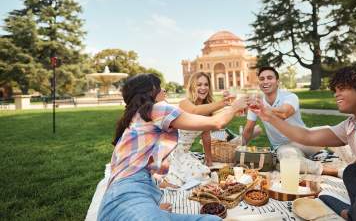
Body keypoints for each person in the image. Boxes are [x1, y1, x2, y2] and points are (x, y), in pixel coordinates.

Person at [250, 66, 356, 221]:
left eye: (342, 88)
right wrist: (268, 116)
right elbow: (307, 136)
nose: (336, 94)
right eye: (335, 90)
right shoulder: (350, 126)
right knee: (352, 172)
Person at [98, 73, 248, 221]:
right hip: (128, 197)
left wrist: (154, 208)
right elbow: (218, 122)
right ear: (151, 92)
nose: (164, 91)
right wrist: (234, 106)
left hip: (122, 197)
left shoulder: (133, 118)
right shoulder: (157, 110)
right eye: (160, 87)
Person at [242, 66, 324, 174]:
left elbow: (284, 113)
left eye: (269, 78)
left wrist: (263, 108)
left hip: (304, 139)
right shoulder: (256, 103)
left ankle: (353, 159)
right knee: (290, 161)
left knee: (329, 131)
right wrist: (240, 148)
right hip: (283, 147)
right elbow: (248, 130)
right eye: (262, 79)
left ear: (277, 82)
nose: (265, 81)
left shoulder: (290, 97)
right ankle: (333, 170)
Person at [164, 72, 233, 187]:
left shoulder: (208, 109)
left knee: (204, 173)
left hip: (184, 152)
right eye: (199, 84)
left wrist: (209, 160)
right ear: (192, 86)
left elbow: (206, 135)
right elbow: (195, 111)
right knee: (178, 181)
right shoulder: (184, 103)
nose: (203, 88)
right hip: (171, 151)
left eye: (206, 85)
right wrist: (223, 103)